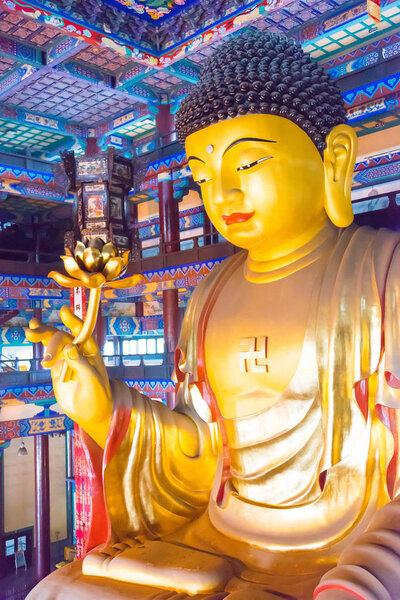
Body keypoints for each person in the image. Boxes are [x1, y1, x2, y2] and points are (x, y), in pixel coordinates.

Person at [26, 30, 400, 600]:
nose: (220, 193)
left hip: (342, 549)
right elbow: (200, 451)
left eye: (248, 161)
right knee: (59, 591)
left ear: (336, 158)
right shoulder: (209, 294)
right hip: (217, 536)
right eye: (202, 175)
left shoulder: (383, 275)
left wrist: (361, 577)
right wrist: (106, 407)